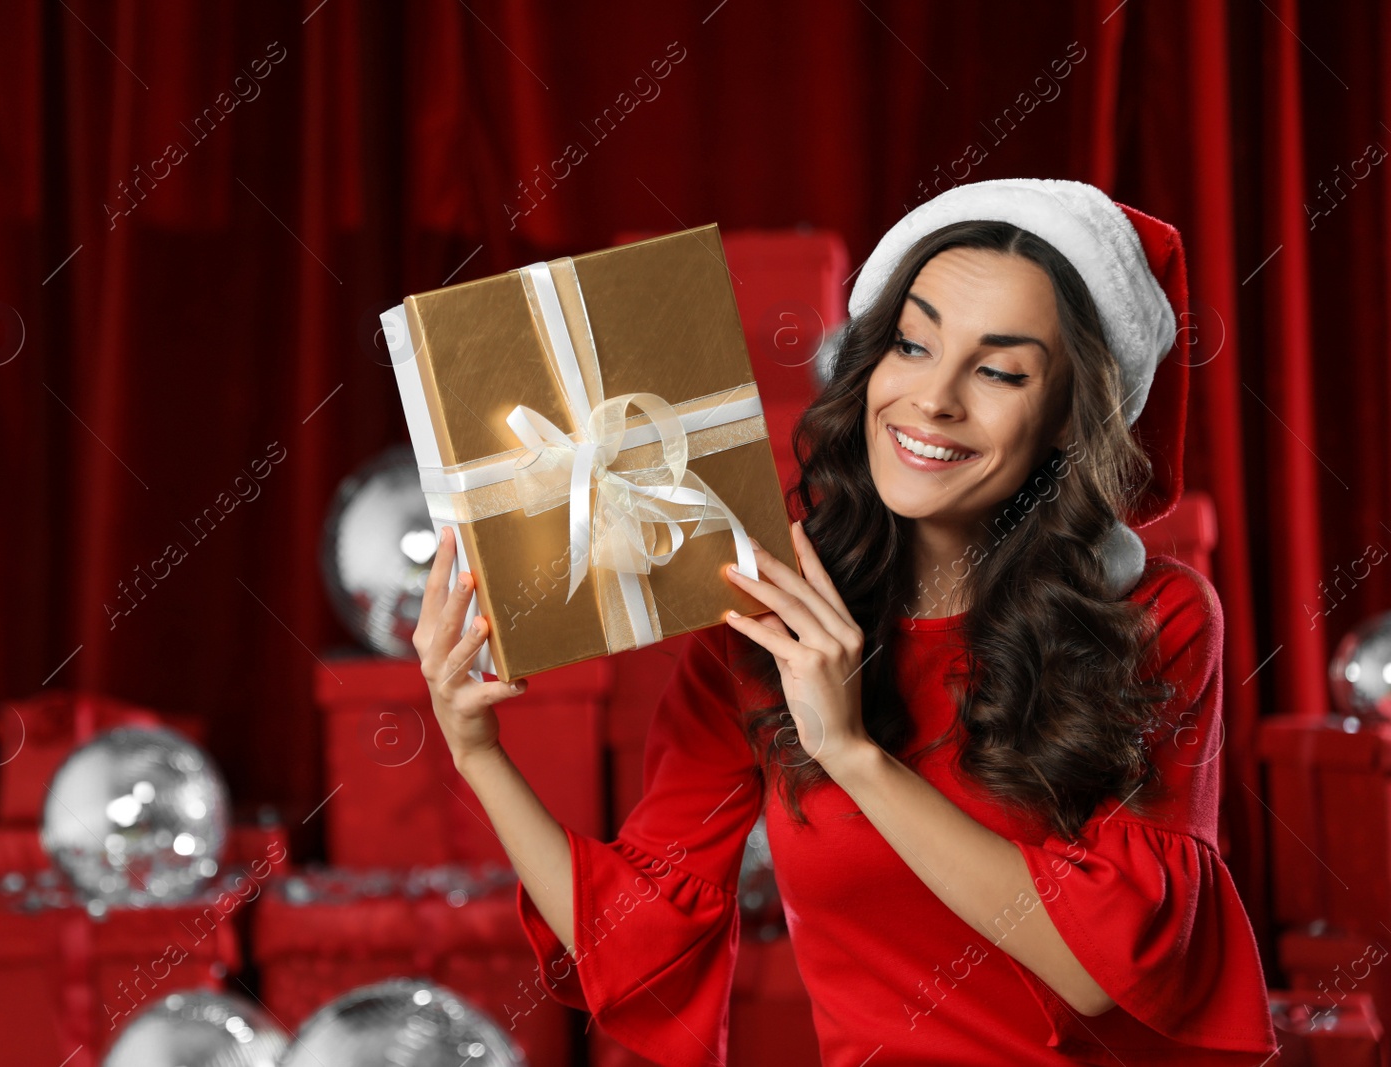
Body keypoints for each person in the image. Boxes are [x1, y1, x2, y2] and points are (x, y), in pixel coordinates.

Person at [412, 178, 1280, 1066]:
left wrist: (852, 752)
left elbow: (1106, 961)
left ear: (1067, 418)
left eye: (998, 370)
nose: (934, 399)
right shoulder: (770, 614)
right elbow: (639, 929)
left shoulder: (1155, 618)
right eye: (914, 344)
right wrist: (477, 752)